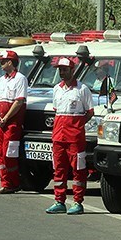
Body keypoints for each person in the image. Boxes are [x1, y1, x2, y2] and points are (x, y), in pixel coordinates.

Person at [45, 56, 94, 215]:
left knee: (78, 169)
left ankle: (77, 202)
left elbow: (90, 112)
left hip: (75, 137)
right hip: (58, 135)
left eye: (65, 70)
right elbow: (56, 110)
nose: (62, 73)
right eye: (60, 70)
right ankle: (59, 201)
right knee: (58, 169)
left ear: (72, 70)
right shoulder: (56, 89)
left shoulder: (82, 89)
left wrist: (77, 125)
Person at [0, 50, 28, 194]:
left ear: (10, 62)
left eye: (3, 61)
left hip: (12, 123)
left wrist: (6, 118)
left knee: (9, 153)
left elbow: (18, 102)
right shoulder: (2, 80)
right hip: (0, 123)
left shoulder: (20, 79)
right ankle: (6, 182)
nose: (1, 64)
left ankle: (14, 182)